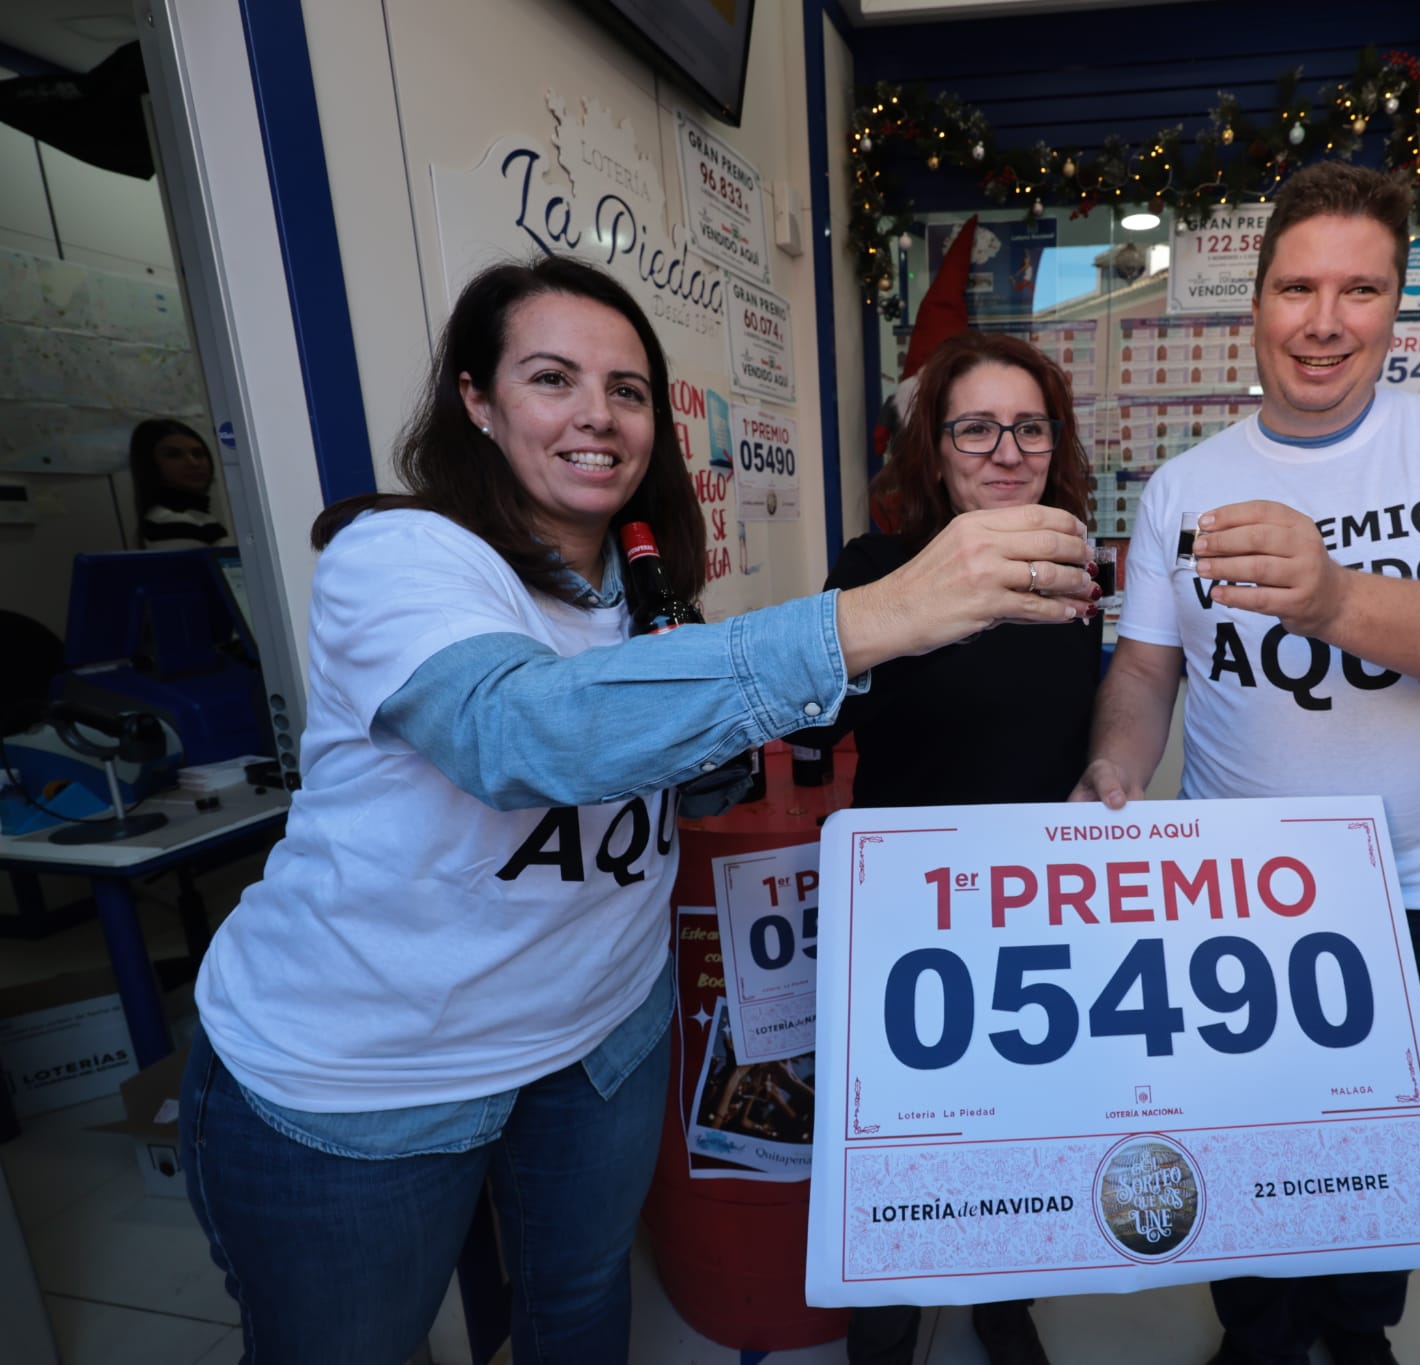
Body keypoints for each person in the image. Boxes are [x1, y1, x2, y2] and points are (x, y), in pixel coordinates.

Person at [177, 255, 1095, 1365]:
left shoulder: (642, 589)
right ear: (474, 399)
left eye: (626, 391)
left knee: (579, 1307)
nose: (596, 418)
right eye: (551, 379)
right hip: (372, 1069)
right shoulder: (399, 553)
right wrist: (872, 620)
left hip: (596, 1038)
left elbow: (669, 768)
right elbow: (515, 734)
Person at [1071, 162, 1420, 1365]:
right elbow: (1147, 673)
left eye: (1359, 289)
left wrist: (1336, 594)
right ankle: (1254, 1328)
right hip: (1232, 903)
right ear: (1251, 304)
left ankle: (1354, 1331)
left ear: (1398, 305)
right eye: (1296, 287)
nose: (1322, 321)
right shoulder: (1184, 488)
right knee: (1238, 1140)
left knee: (1408, 1150)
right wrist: (1113, 766)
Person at [798, 330, 1102, 1365]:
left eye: (1029, 427)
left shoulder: (1076, 576)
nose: (1005, 448)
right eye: (976, 427)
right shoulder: (877, 569)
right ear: (933, 448)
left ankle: (1002, 1301)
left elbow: (1084, 716)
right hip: (910, 925)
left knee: (1026, 1128)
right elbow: (806, 730)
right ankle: (881, 1323)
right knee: (905, 1147)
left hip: (1040, 913)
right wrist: (894, 623)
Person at [128, 417, 231, 547]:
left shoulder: (195, 517)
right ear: (149, 465)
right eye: (173, 455)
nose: (193, 463)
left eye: (198, 454)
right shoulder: (173, 522)